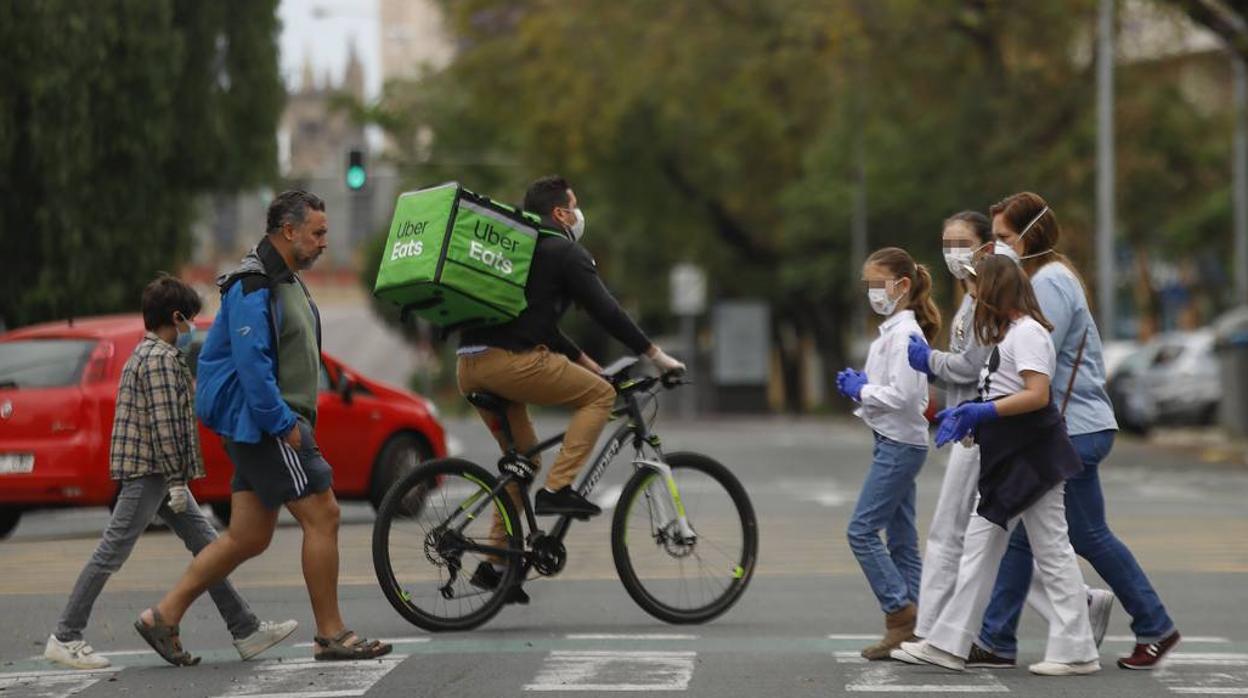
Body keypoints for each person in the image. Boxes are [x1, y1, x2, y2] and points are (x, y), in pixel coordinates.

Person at [135, 191, 392, 665]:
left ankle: (163, 616)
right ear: (288, 231)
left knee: (248, 537)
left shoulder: (284, 279)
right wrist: (283, 424)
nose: (323, 243)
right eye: (317, 233)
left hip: (264, 424)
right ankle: (330, 633)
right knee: (325, 514)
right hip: (267, 425)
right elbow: (253, 366)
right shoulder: (254, 284)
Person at [44, 276, 296, 669]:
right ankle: (66, 635)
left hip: (157, 476)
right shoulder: (160, 360)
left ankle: (244, 628)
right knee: (111, 552)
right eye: (190, 320)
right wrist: (178, 482)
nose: (191, 328)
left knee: (207, 547)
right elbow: (165, 427)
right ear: (176, 317)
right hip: (150, 474)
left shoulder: (150, 355)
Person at [457, 175, 685, 605]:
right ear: (561, 213)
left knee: (523, 457)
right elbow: (607, 311)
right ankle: (558, 490)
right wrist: (656, 355)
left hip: (471, 365)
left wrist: (589, 365)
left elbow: (540, 327)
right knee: (599, 398)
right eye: (575, 205)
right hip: (509, 363)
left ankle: (497, 565)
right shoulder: (564, 250)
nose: (581, 214)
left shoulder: (526, 250)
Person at [975, 192, 1179, 670]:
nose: (998, 247)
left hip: (1074, 426)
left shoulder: (1049, 283)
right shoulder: (1044, 277)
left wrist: (986, 411)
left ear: (1031, 235)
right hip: (1072, 425)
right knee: (1030, 532)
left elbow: (1035, 358)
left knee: (1086, 534)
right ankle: (996, 638)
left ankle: (1154, 625)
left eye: (1004, 237)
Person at [897, 254, 1099, 676]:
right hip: (1013, 457)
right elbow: (1002, 388)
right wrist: (967, 413)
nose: (972, 299)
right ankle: (950, 643)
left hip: (1031, 457)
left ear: (995, 293)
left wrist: (982, 414)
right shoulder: (1010, 335)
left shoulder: (1027, 334)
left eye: (977, 291)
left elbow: (1037, 394)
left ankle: (1075, 649)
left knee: (1047, 550)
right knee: (984, 548)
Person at [835, 247, 938, 660]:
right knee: (901, 541)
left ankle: (899, 612)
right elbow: (890, 396)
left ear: (902, 286)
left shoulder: (905, 335)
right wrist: (863, 390)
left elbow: (907, 396)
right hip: (893, 440)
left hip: (900, 444)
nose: (872, 293)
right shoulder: (890, 333)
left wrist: (861, 389)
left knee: (860, 531)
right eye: (868, 286)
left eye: (878, 284)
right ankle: (916, 630)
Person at [897, 212, 993, 651]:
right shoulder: (971, 297)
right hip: (969, 426)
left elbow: (972, 367)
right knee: (995, 537)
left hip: (979, 428)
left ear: (985, 245)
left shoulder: (986, 297)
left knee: (949, 532)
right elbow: (961, 369)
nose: (953, 253)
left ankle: (931, 630)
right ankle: (1080, 606)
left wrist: (928, 360)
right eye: (946, 243)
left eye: (962, 242)